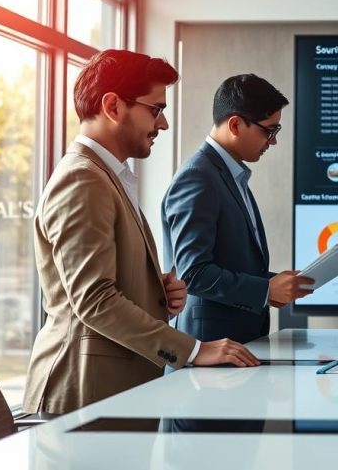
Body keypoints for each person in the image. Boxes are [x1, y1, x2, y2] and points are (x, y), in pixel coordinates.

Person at [23, 50, 259, 416]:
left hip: (108, 391)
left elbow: (97, 286)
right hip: (84, 394)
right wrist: (194, 349)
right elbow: (94, 301)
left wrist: (153, 292)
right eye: (156, 109)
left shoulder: (106, 177)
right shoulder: (82, 179)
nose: (162, 125)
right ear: (114, 106)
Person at [162, 74, 312, 344]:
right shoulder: (198, 176)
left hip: (234, 345)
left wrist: (274, 284)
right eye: (269, 130)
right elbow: (192, 273)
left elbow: (227, 262)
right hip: (209, 348)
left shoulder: (230, 175)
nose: (273, 141)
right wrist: (264, 290)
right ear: (235, 124)